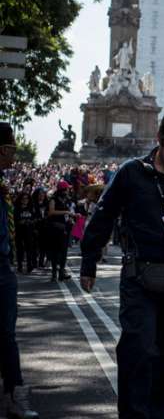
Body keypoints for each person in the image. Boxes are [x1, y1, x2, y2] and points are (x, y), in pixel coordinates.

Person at [80, 110, 164, 418]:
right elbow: (102, 216)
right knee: (138, 350)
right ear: (159, 140)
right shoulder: (131, 172)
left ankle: (161, 414)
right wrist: (89, 262)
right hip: (139, 276)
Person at [0, 123, 39, 418]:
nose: (15, 153)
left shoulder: (2, 185)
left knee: (7, 334)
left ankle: (14, 392)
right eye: (12, 148)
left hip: (3, 267)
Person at [45, 181, 74, 282]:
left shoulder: (66, 200)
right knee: (55, 251)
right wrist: (65, 212)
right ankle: (54, 274)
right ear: (62, 190)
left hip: (64, 228)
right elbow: (51, 212)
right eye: (66, 189)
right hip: (55, 228)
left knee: (64, 252)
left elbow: (67, 213)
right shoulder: (53, 199)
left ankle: (61, 272)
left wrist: (71, 218)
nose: (67, 191)